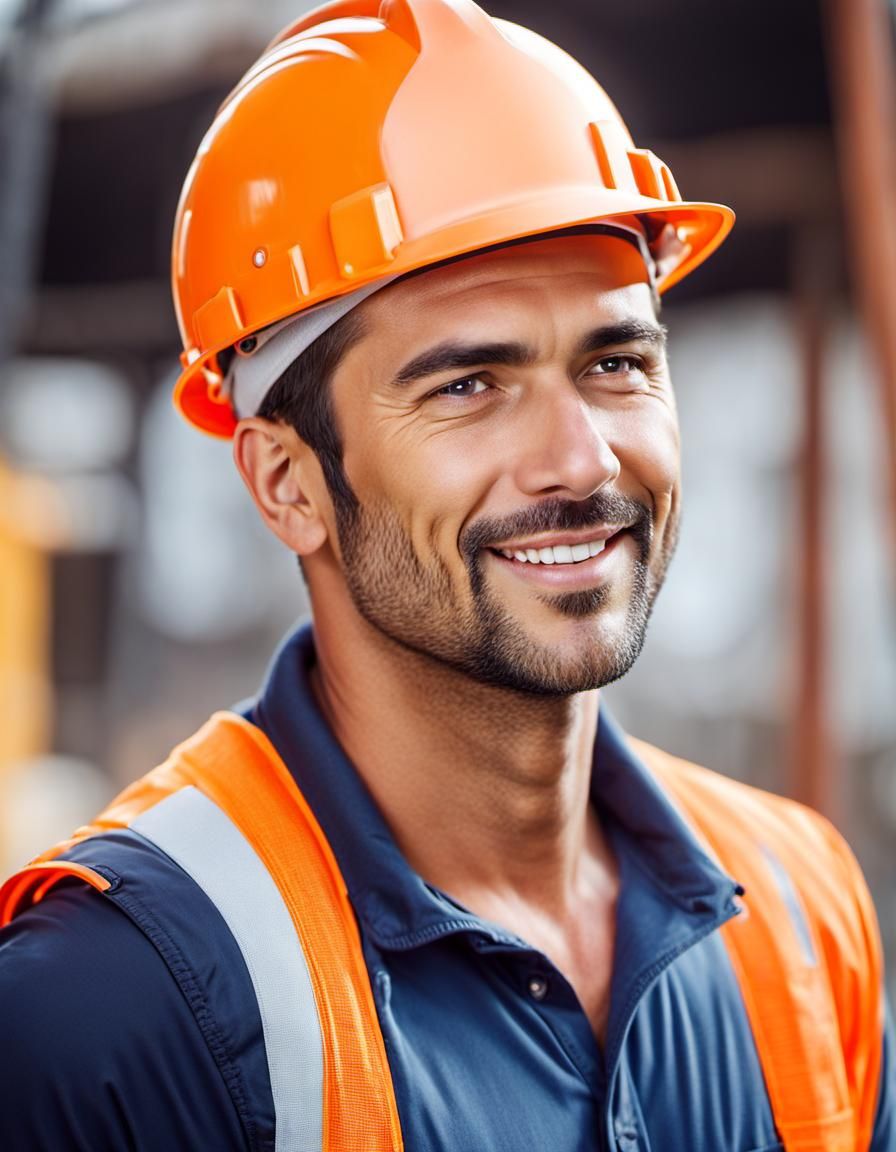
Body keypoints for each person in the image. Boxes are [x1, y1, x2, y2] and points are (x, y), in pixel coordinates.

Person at [1, 0, 892, 1149]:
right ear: (285, 483)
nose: (580, 459)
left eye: (616, 362)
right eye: (469, 386)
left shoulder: (801, 915)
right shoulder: (107, 1007)